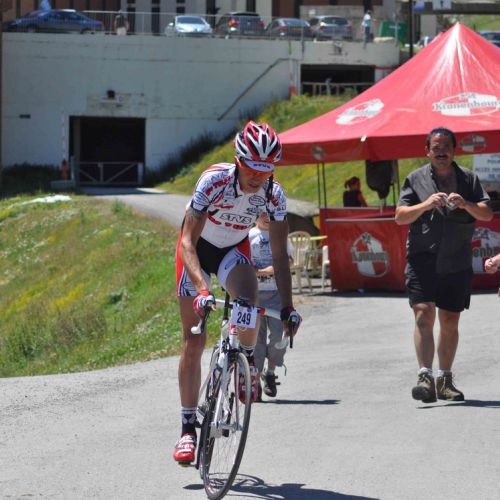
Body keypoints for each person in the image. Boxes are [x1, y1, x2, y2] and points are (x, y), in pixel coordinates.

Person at [173, 121, 302, 465]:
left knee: (249, 301)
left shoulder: (274, 195)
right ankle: (187, 429)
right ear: (238, 161)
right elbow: (187, 241)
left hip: (232, 250)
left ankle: (245, 363)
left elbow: (279, 256)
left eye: (266, 170)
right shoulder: (213, 180)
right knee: (193, 340)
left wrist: (288, 307)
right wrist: (203, 290)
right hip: (197, 252)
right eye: (251, 168)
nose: (258, 177)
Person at [395, 127, 493, 403]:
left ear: (454, 150)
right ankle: (425, 377)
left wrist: (466, 204)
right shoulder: (415, 179)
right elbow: (400, 216)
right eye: (436, 147)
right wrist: (425, 204)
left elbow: (486, 213)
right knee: (423, 313)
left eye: (446, 147)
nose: (441, 152)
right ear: (427, 151)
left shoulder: (468, 179)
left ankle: (445, 380)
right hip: (422, 259)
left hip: (456, 260)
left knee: (450, 320)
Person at [249, 212, 293, 400]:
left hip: (276, 293)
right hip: (255, 294)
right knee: (256, 340)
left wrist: (271, 269)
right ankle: (255, 379)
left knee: (279, 335)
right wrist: (259, 271)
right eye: (262, 213)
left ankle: (271, 372)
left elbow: (288, 260)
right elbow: (243, 263)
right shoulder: (249, 236)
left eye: (270, 213)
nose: (266, 217)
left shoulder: (280, 234)